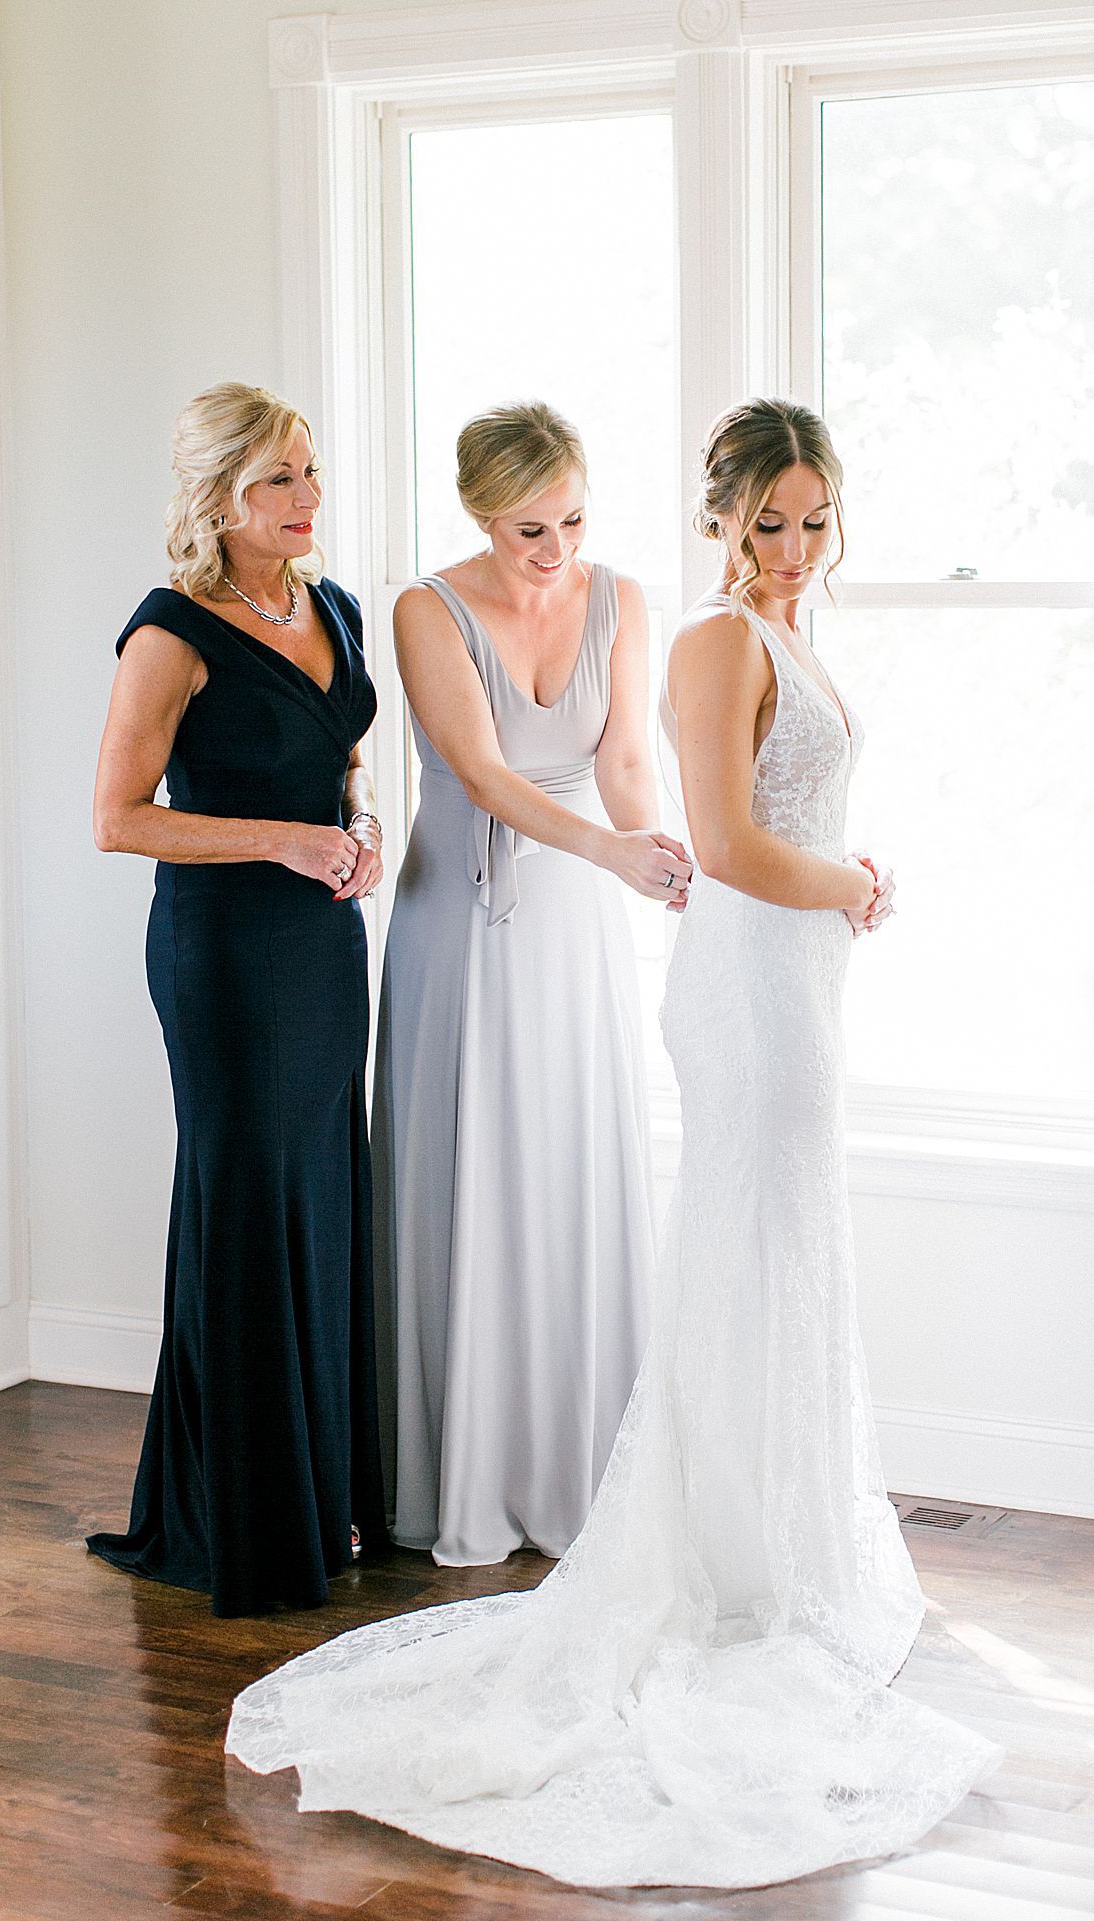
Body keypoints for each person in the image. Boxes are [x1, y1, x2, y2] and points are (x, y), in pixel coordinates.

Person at [227, 398, 997, 1883]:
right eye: (765, 521)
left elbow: (677, 816)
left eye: (812, 519)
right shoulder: (713, 639)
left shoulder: (739, 628)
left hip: (768, 959)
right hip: (719, 958)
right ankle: (723, 1551)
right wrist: (841, 881)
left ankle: (777, 1541)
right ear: (720, 516)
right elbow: (722, 828)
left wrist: (776, 882)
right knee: (742, 1246)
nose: (789, 547)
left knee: (780, 1249)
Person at [372, 401, 691, 1566]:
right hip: (460, 918)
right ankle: (467, 1475)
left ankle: (578, 1469)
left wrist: (651, 850)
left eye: (569, 520)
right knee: (473, 1171)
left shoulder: (620, 599)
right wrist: (605, 853)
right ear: (476, 513)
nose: (553, 550)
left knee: (569, 1167)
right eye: (525, 530)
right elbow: (484, 774)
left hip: (575, 928)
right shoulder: (425, 609)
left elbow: (621, 760)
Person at [87, 382, 387, 1617]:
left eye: (308, 472)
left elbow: (340, 757)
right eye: (276, 480)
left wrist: (355, 823)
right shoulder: (170, 632)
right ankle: (248, 1524)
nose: (305, 499)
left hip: (321, 943)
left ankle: (323, 1502)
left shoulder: (336, 604)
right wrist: (285, 841)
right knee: (245, 1203)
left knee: (318, 1191)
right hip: (223, 954)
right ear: (216, 496)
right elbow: (117, 821)